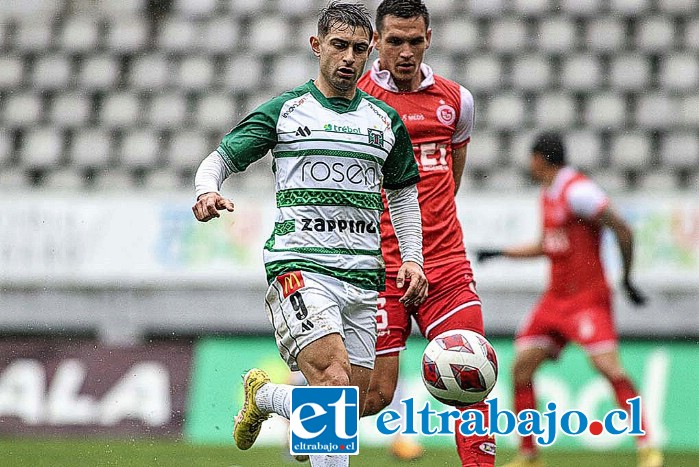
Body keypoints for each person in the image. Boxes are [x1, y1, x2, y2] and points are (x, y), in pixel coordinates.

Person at [191, 3, 428, 466]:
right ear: (317, 46)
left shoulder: (384, 122)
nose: (348, 58)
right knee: (334, 386)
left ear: (372, 50)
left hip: (363, 277)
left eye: (360, 49)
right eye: (339, 46)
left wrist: (413, 257)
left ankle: (266, 399)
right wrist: (206, 190)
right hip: (300, 266)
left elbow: (401, 197)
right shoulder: (287, 110)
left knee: (359, 402)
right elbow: (220, 158)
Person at [357, 1, 496, 465]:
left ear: (429, 39)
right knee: (375, 396)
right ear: (376, 42)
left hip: (445, 266)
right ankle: (280, 401)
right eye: (394, 41)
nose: (405, 52)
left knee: (473, 381)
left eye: (414, 41)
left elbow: (450, 182)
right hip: (382, 271)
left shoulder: (457, 101)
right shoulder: (356, 101)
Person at [476, 132, 663, 467]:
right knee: (521, 368)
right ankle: (530, 454)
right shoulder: (548, 194)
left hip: (587, 299)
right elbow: (549, 245)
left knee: (608, 367)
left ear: (539, 159)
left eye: (530, 158)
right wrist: (501, 252)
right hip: (555, 300)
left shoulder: (578, 191)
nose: (528, 164)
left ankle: (647, 444)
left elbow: (622, 228)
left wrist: (627, 277)